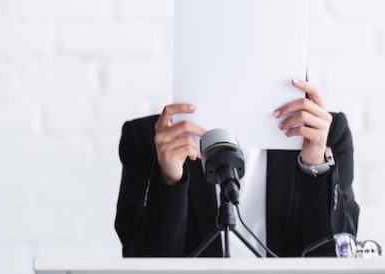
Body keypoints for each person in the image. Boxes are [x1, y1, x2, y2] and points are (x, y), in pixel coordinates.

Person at [114, 78, 359, 257]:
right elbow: (142, 267)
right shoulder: (152, 139)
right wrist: (169, 179)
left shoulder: (324, 133)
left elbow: (336, 256)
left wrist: (315, 165)